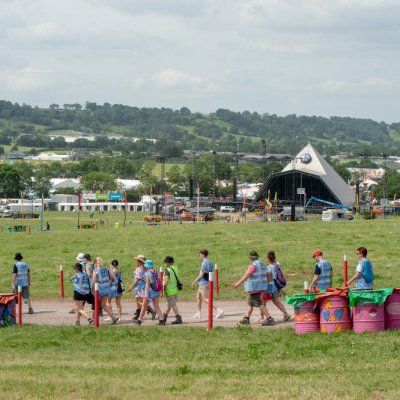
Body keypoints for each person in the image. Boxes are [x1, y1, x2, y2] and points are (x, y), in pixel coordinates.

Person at [232, 250, 274, 326]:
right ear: (257, 257)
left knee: (259, 304)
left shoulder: (253, 266)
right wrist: (266, 283)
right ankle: (246, 319)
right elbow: (269, 273)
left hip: (254, 287)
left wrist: (238, 283)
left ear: (251, 258)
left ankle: (269, 318)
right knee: (250, 303)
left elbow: (247, 275)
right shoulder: (262, 264)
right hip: (261, 287)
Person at [191, 249, 224, 320]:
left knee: (205, 299)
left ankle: (218, 310)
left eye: (199, 254)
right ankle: (199, 312)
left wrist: (194, 281)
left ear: (202, 254)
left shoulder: (204, 263)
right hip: (208, 282)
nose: (199, 256)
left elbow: (201, 275)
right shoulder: (210, 262)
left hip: (203, 283)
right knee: (198, 297)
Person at [133, 260, 165, 325]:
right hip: (156, 291)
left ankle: (139, 320)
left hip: (150, 292)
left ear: (147, 267)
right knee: (156, 306)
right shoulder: (155, 272)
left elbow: (147, 285)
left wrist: (146, 294)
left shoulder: (147, 273)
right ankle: (161, 320)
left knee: (144, 306)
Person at [263, 251, 291, 322]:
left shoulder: (269, 267)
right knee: (276, 301)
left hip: (270, 287)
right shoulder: (277, 264)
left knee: (263, 301)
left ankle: (264, 317)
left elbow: (269, 278)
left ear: (268, 259)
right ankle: (286, 314)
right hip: (276, 286)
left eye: (266, 257)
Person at [127, 255, 156, 321]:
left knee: (139, 301)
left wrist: (131, 287)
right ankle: (138, 315)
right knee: (139, 302)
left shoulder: (138, 269)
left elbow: (138, 279)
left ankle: (150, 310)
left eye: (137, 260)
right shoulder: (145, 268)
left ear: (139, 261)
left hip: (139, 287)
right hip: (143, 286)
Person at [92, 257, 118, 324]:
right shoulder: (106, 269)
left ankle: (93, 320)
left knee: (95, 305)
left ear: (95, 263)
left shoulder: (95, 271)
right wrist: (112, 283)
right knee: (103, 305)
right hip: (107, 289)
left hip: (99, 290)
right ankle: (113, 317)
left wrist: (92, 290)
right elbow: (114, 277)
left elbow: (94, 281)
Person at [162, 256, 182, 325]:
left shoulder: (168, 270)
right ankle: (164, 317)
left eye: (166, 261)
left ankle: (178, 318)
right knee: (169, 304)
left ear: (168, 262)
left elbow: (166, 280)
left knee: (173, 304)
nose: (165, 263)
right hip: (175, 289)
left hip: (169, 290)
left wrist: (164, 288)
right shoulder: (175, 268)